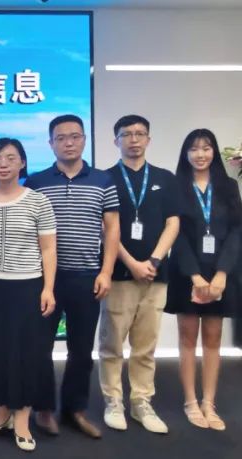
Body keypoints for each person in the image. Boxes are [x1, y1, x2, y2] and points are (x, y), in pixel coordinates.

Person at [25, 115, 120, 439]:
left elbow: (112, 229)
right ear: (51, 143)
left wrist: (106, 271)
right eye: (61, 137)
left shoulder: (103, 180)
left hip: (86, 276)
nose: (68, 142)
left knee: (81, 350)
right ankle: (43, 409)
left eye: (75, 136)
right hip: (45, 280)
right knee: (39, 347)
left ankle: (74, 410)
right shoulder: (36, 182)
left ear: (84, 140)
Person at [0, 138, 57, 452]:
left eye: (10, 157)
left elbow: (49, 249)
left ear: (22, 163)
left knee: (26, 354)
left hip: (27, 286)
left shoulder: (38, 201)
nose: (3, 163)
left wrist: (48, 288)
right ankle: (0, 411)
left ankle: (22, 419)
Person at [100, 115, 180, 435]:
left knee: (146, 345)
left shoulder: (165, 178)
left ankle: (141, 401)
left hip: (155, 275)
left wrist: (154, 260)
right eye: (126, 134)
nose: (133, 139)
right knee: (112, 344)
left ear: (148, 139)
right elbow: (106, 228)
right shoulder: (105, 179)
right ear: (115, 140)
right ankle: (113, 401)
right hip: (119, 274)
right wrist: (132, 263)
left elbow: (173, 223)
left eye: (140, 134)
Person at [166, 129, 241, 431]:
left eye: (206, 148)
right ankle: (190, 402)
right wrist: (195, 276)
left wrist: (222, 273)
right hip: (187, 272)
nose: (200, 154)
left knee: (213, 339)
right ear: (185, 153)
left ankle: (209, 403)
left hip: (221, 272)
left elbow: (237, 231)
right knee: (187, 339)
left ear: (214, 152)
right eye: (194, 149)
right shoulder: (176, 186)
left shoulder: (228, 186)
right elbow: (176, 234)